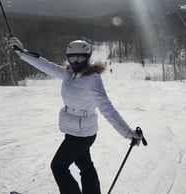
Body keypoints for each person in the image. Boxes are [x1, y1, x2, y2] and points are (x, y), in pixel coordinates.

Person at [8, 37, 143, 194]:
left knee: (58, 166)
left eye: (80, 57)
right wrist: (22, 53)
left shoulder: (93, 79)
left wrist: (127, 132)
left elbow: (107, 108)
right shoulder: (68, 73)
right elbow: (47, 66)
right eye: (72, 57)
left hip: (83, 134)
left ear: (87, 58)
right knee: (85, 166)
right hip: (73, 130)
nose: (76, 61)